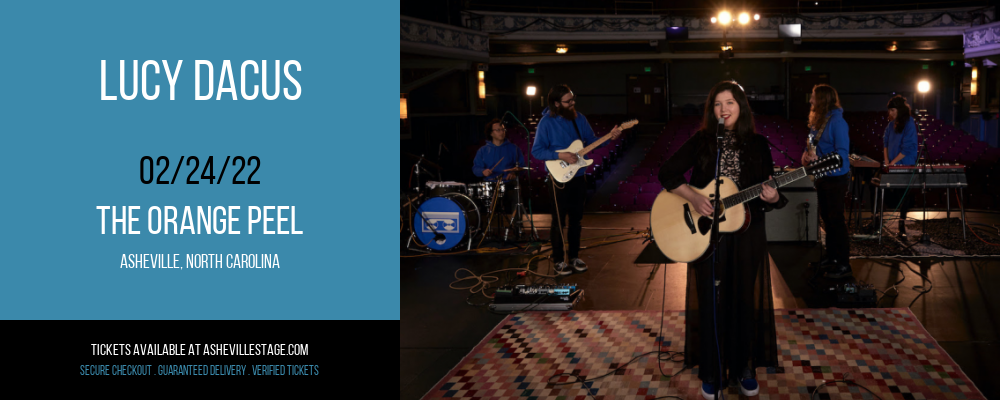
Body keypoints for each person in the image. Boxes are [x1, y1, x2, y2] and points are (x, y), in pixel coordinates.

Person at [657, 81, 787, 399]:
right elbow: (668, 172)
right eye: (717, 104)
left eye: (729, 102)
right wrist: (693, 197)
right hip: (708, 238)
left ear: (741, 106)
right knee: (712, 303)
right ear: (711, 110)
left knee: (744, 300)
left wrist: (771, 197)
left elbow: (771, 192)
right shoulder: (702, 141)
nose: (723, 109)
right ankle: (712, 372)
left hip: (747, 236)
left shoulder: (758, 144)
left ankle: (743, 368)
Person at [531, 85, 620, 275]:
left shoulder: (579, 118)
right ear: (557, 103)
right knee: (558, 221)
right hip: (558, 178)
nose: (573, 103)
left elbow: (592, 140)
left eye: (573, 99)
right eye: (568, 101)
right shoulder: (546, 122)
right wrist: (560, 155)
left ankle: (573, 257)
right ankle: (558, 260)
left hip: (579, 176)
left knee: (576, 221)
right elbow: (537, 151)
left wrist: (610, 137)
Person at [801, 84, 851, 279]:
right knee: (827, 220)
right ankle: (832, 258)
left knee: (836, 220)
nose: (810, 101)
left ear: (822, 100)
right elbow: (812, 147)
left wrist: (819, 161)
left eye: (813, 97)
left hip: (836, 178)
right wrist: (806, 156)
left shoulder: (838, 123)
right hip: (822, 177)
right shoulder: (819, 122)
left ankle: (844, 264)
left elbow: (841, 154)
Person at [882, 95, 919, 239]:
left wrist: (894, 163)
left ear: (899, 110)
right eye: (889, 110)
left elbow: (908, 147)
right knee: (891, 192)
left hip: (905, 163)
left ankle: (902, 224)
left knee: (904, 194)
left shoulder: (909, 123)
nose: (889, 113)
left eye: (892, 110)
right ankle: (881, 219)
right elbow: (885, 143)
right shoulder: (891, 124)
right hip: (892, 164)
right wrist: (887, 162)